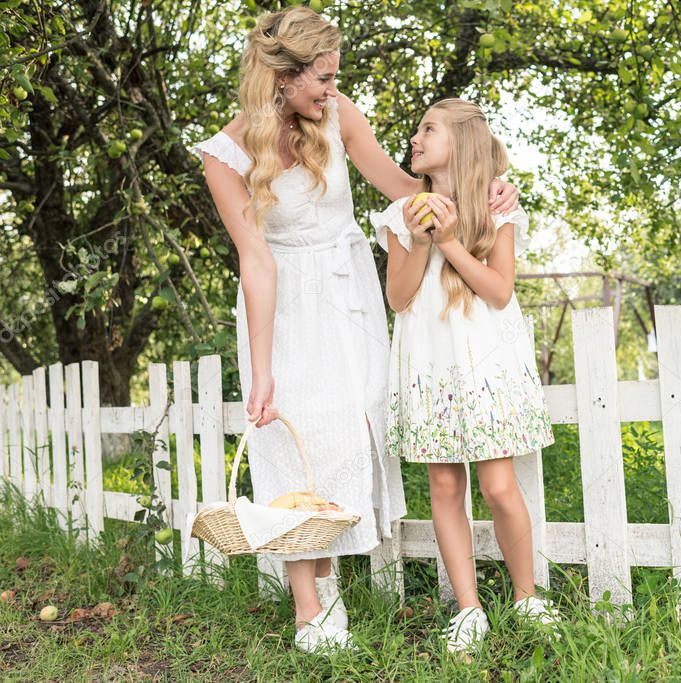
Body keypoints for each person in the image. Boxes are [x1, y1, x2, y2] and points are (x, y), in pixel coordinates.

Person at [190, 8, 519, 654]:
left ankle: (328, 567)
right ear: (281, 78)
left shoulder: (340, 116)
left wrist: (485, 191)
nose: (332, 91)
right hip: (281, 302)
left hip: (349, 292)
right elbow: (256, 261)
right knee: (291, 436)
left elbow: (401, 187)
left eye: (336, 79)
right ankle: (310, 603)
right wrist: (262, 371)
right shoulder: (223, 158)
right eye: (322, 79)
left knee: (347, 431)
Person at [370, 98, 558, 655]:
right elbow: (398, 298)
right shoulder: (399, 215)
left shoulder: (495, 209)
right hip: (430, 365)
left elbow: (500, 291)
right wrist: (422, 238)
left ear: (462, 142)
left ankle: (527, 599)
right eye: (417, 128)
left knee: (500, 486)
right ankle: (469, 608)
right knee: (445, 487)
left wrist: (450, 240)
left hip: (482, 366)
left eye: (428, 128)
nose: (414, 137)